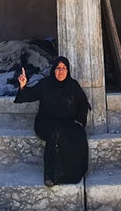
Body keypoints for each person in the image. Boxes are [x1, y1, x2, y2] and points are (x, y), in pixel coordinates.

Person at [14, 56, 91, 186]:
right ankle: (51, 175)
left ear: (68, 70)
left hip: (67, 122)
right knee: (56, 134)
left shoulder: (73, 85)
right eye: (58, 68)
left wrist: (79, 121)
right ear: (53, 70)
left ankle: (73, 174)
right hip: (45, 122)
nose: (61, 71)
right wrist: (22, 85)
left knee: (79, 134)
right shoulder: (46, 84)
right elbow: (29, 95)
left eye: (64, 68)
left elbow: (83, 104)